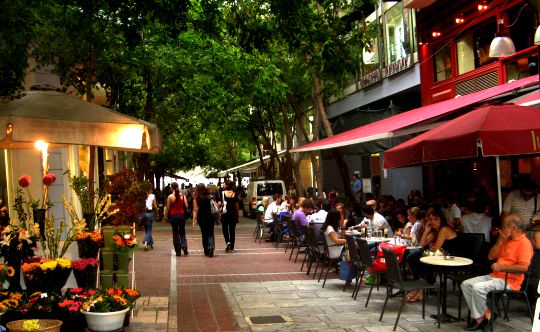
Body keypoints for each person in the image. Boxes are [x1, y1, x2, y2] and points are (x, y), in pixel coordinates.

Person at [461, 214, 533, 331]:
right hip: (495, 276)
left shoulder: (524, 243)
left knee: (478, 288)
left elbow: (524, 268)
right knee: (466, 284)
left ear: (512, 228)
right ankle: (486, 315)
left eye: (504, 226)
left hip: (510, 280)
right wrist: (500, 240)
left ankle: (478, 319)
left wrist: (501, 267)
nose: (500, 229)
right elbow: (490, 257)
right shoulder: (506, 240)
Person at [407, 208, 457, 302]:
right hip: (439, 256)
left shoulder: (444, 229)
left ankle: (421, 290)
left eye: (435, 219)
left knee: (426, 260)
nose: (432, 221)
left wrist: (428, 251)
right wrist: (426, 231)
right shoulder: (435, 231)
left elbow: (436, 249)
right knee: (412, 257)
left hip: (451, 258)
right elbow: (422, 245)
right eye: (431, 219)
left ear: (441, 219)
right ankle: (419, 285)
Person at [164, 182, 189, 256]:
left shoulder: (170, 197)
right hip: (182, 216)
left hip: (173, 216)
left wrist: (165, 217)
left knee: (175, 233)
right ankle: (184, 246)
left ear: (171, 188)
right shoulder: (183, 196)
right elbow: (187, 206)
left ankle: (178, 251)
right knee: (182, 232)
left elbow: (167, 208)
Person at [192, 183, 216, 257]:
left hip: (201, 217)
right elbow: (215, 206)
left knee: (204, 233)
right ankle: (211, 246)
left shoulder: (196, 198)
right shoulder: (210, 196)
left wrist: (194, 220)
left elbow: (195, 210)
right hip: (210, 217)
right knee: (210, 233)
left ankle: (206, 250)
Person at [221, 180, 240, 252]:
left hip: (224, 214)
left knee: (225, 229)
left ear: (226, 185)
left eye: (224, 184)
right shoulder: (234, 194)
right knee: (232, 230)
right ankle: (232, 246)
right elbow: (237, 206)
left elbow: (220, 204)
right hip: (233, 214)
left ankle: (227, 242)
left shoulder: (222, 193)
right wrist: (237, 215)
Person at [141, 184, 158, 251]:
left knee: (146, 230)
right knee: (149, 230)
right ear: (150, 190)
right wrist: (157, 213)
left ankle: (150, 243)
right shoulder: (152, 196)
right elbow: (155, 206)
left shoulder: (141, 196)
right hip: (149, 213)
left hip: (142, 214)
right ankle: (145, 242)